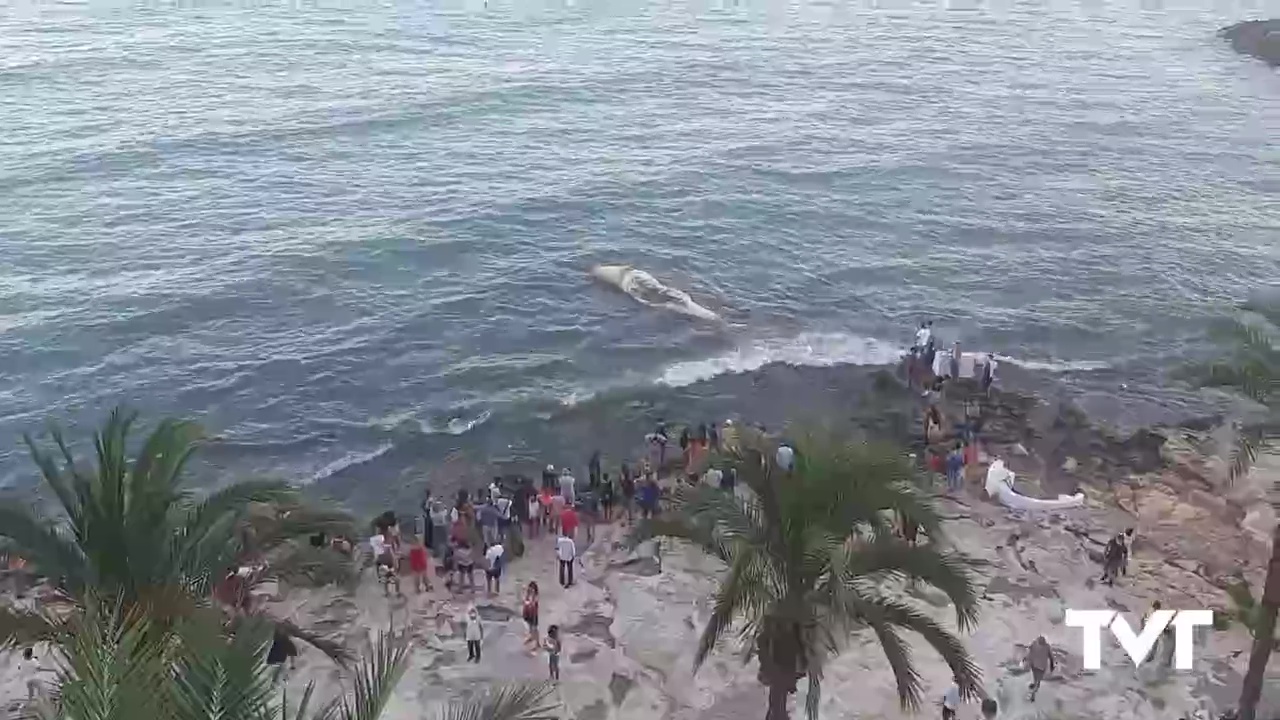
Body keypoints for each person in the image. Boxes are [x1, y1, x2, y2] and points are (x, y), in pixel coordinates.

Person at [1025, 635, 1055, 700]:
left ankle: (1032, 692)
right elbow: (1051, 657)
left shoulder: (1034, 644)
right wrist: (1052, 665)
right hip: (1041, 667)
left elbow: (1028, 652)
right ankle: (1033, 692)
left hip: (1034, 665)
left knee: (1035, 679)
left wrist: (1026, 659)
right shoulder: (1047, 646)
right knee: (1037, 681)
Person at [522, 582, 541, 646]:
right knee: (529, 627)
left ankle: (537, 642)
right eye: (530, 589)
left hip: (533, 614)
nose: (531, 590)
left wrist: (529, 603)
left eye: (533, 589)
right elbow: (525, 601)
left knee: (534, 628)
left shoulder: (535, 596)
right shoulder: (527, 595)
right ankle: (530, 636)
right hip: (527, 613)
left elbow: (534, 603)